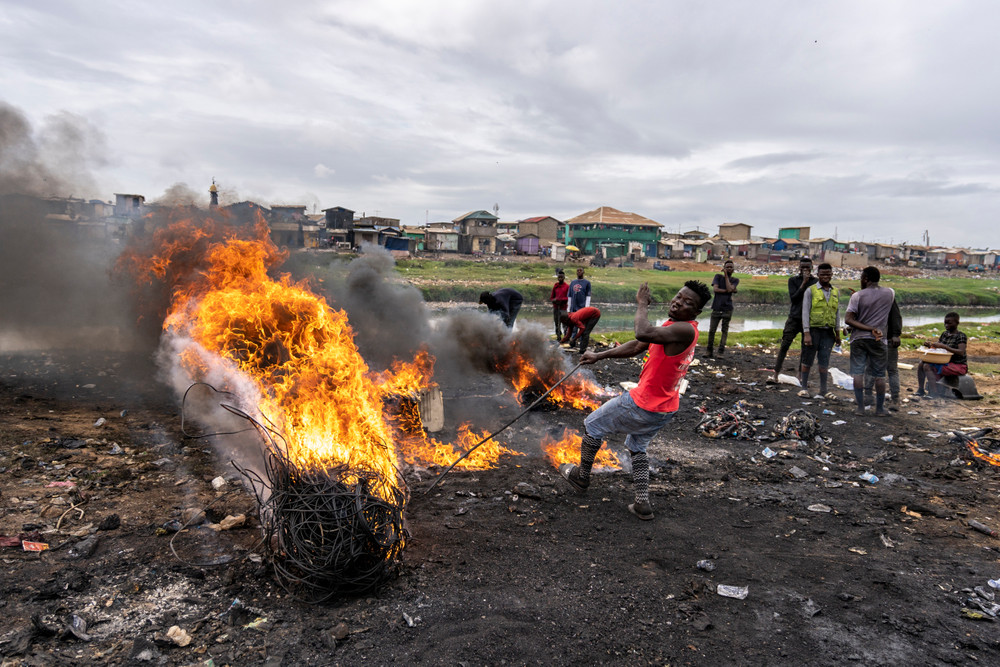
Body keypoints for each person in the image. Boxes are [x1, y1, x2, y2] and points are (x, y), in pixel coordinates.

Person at [559, 280, 712, 520]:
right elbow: (639, 345)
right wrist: (598, 355)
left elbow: (642, 331)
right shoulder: (674, 327)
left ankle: (581, 477)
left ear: (696, 312)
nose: (678, 302)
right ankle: (642, 503)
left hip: (643, 404)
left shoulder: (686, 330)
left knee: (592, 424)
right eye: (679, 296)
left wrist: (641, 304)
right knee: (637, 446)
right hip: (665, 408)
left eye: (687, 303)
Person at [844, 266, 895, 415]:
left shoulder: (858, 296)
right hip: (879, 339)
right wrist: (873, 328)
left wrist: (867, 328)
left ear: (865, 279)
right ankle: (879, 409)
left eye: (861, 277)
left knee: (858, 373)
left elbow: (848, 319)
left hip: (859, 339)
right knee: (879, 375)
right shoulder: (890, 293)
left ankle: (860, 408)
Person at [798, 262, 842, 399]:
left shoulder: (835, 292)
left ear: (832, 275)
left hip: (828, 332)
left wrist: (838, 333)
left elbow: (837, 313)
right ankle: (804, 388)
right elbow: (805, 312)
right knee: (807, 360)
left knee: (824, 361)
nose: (825, 277)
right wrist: (806, 333)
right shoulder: (810, 290)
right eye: (822, 274)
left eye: (828, 274)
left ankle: (823, 390)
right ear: (818, 275)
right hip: (813, 331)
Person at [771, 257, 818, 381]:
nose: (805, 269)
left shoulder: (816, 282)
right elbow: (794, 298)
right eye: (802, 267)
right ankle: (775, 373)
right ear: (799, 267)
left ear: (812, 267)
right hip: (794, 318)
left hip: (808, 320)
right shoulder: (793, 280)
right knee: (785, 345)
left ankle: (800, 375)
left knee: (805, 348)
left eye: (807, 267)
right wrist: (803, 283)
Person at [917, 312, 968, 398]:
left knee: (927, 366)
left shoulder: (961, 336)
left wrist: (945, 347)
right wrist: (931, 345)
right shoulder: (944, 334)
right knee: (921, 363)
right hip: (945, 362)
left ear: (957, 323)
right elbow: (938, 348)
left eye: (949, 323)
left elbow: (961, 351)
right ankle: (920, 390)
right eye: (945, 323)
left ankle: (934, 393)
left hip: (958, 365)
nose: (946, 325)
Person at [864, 299, 902, 409]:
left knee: (891, 369)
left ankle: (895, 398)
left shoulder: (888, 297)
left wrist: (895, 334)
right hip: (872, 339)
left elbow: (896, 316)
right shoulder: (867, 297)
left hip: (888, 338)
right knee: (870, 367)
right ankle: (868, 395)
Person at [705, 259, 739, 358]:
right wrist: (730, 291)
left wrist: (726, 278)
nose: (729, 269)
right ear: (723, 268)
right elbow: (715, 289)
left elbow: (729, 288)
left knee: (724, 331)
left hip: (727, 309)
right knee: (712, 330)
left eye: (730, 267)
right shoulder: (717, 277)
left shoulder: (735, 280)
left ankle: (720, 352)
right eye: (727, 267)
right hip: (716, 307)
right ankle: (709, 351)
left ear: (733, 270)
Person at [549, 270, 570, 339]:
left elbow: (568, 297)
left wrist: (560, 300)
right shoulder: (556, 286)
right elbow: (552, 297)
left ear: (564, 278)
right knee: (556, 322)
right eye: (559, 277)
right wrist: (553, 300)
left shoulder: (567, 286)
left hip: (563, 307)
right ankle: (558, 336)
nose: (560, 278)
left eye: (561, 277)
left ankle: (566, 336)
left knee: (564, 322)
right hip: (556, 307)